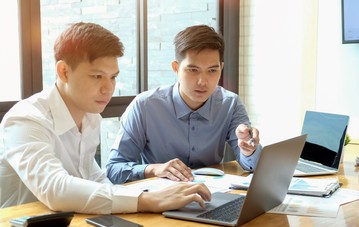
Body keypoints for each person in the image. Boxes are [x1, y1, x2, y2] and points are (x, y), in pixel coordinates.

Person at [0, 22, 211, 213]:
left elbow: (95, 178)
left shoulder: (90, 116)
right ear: (64, 72)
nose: (108, 89)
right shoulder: (26, 119)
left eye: (113, 77)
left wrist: (159, 200)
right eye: (97, 76)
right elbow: (55, 188)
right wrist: (146, 200)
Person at [106, 24, 262, 184]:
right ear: (176, 68)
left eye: (212, 70)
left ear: (221, 68)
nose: (203, 82)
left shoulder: (230, 104)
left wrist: (249, 150)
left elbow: (251, 166)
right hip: (159, 200)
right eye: (193, 70)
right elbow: (114, 169)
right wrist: (155, 169)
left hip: (212, 195)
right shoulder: (145, 106)